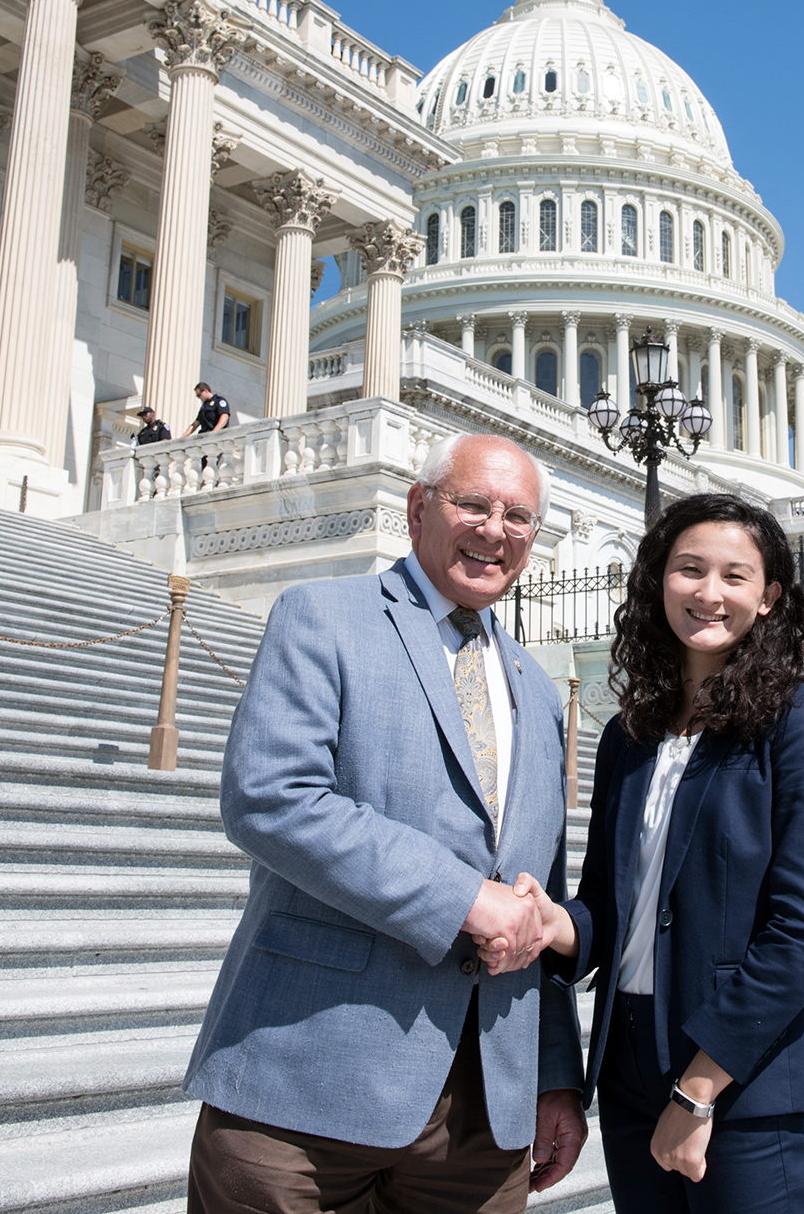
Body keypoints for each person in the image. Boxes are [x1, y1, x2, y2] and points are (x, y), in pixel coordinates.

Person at [184, 432, 587, 1214]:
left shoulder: (536, 688)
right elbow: (271, 797)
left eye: (519, 517)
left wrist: (554, 1077)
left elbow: (544, 892)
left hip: (482, 1118)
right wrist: (465, 897)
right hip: (306, 1082)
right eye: (473, 504)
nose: (495, 529)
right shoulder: (322, 617)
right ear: (418, 509)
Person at [479, 493, 804, 1213]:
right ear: (658, 582)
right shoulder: (629, 734)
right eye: (689, 570)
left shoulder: (799, 721)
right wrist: (561, 925)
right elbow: (612, 910)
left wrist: (700, 1088)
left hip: (739, 1070)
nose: (709, 593)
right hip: (627, 1063)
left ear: (769, 597)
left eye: (735, 577)